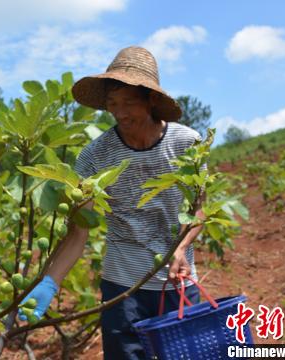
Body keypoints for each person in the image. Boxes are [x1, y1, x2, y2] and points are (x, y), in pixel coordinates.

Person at [19, 46, 207, 360]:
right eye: (112, 104)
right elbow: (78, 233)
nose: (119, 113)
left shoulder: (187, 144)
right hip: (121, 289)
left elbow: (199, 210)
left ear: (151, 100)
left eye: (128, 103)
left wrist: (180, 249)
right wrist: (49, 284)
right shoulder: (95, 156)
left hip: (178, 283)